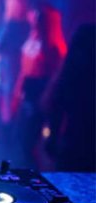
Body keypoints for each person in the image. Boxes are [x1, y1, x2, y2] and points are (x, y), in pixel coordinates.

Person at [13, 3, 67, 169]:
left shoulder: (54, 47)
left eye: (40, 18)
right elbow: (24, 70)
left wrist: (44, 101)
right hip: (27, 94)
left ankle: (35, 176)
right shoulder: (32, 39)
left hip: (39, 96)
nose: (35, 19)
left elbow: (54, 79)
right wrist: (17, 93)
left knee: (30, 142)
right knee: (21, 139)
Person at [45, 24, 96, 172]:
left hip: (73, 145)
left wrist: (52, 139)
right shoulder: (74, 78)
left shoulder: (70, 76)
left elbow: (56, 104)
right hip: (76, 144)